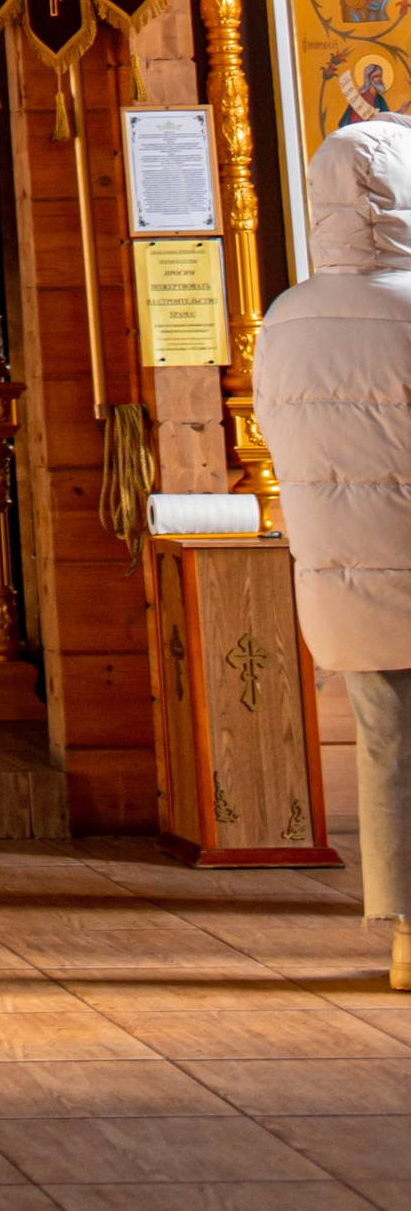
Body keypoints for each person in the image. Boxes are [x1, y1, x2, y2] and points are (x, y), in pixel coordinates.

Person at [255, 119, 411, 994]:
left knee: (390, 747)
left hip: (346, 570)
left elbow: (279, 433)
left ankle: (403, 938)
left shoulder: (289, 314)